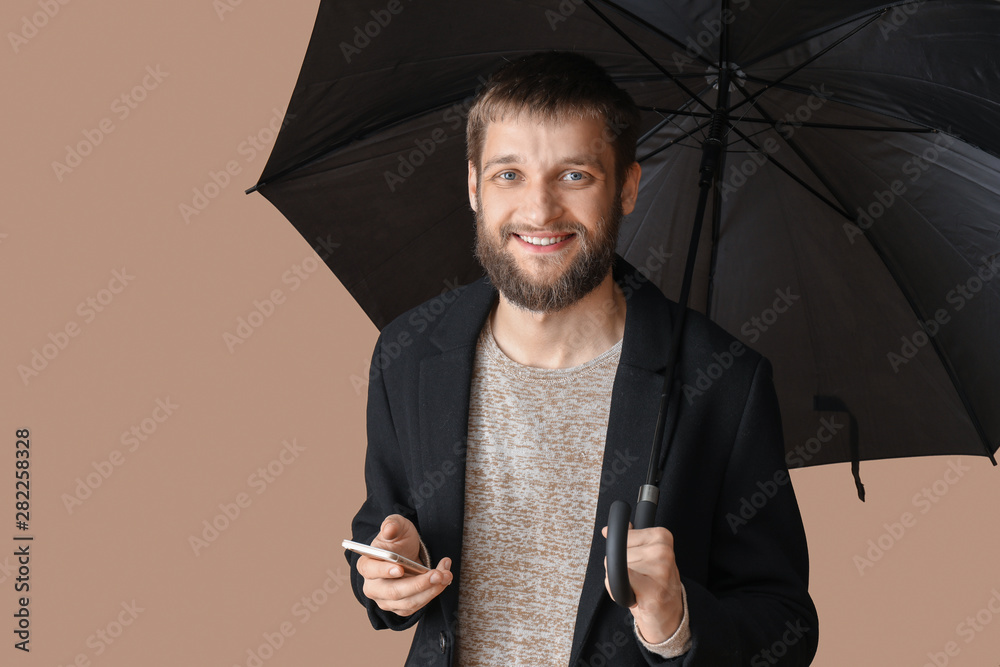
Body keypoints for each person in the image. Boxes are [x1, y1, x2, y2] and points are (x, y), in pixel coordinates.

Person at [346, 51, 818, 666]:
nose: (539, 211)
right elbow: (383, 526)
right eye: (508, 174)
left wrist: (675, 621)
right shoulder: (408, 351)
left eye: (574, 175)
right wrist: (387, 572)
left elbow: (785, 624)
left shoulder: (722, 379)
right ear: (472, 186)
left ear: (626, 187)